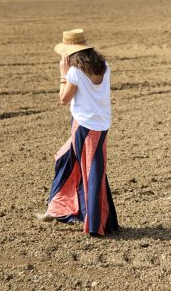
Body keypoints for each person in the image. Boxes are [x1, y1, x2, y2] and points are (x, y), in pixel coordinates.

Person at [37, 29, 119, 236]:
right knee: (66, 158)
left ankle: (95, 224)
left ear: (70, 53)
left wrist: (63, 74)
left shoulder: (74, 72)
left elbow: (63, 99)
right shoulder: (104, 66)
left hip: (84, 127)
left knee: (91, 172)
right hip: (100, 125)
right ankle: (56, 208)